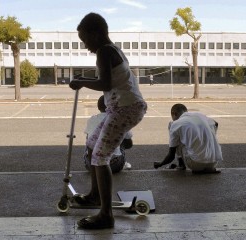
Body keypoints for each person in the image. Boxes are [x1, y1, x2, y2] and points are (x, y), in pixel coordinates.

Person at [69, 13, 147, 229]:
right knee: (93, 145)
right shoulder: (111, 49)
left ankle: (106, 215)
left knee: (100, 157)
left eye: (85, 40)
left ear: (96, 34)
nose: (85, 46)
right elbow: (107, 80)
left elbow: (104, 82)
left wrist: (81, 82)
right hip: (122, 108)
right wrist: (81, 80)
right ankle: (95, 196)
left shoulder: (104, 51)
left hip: (125, 109)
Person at [154, 103, 222, 174]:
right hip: (213, 162)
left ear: (174, 113)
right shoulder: (200, 116)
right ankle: (207, 166)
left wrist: (160, 164)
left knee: (172, 126)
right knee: (205, 130)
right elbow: (216, 124)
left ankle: (181, 164)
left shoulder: (176, 124)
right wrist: (208, 137)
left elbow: (171, 155)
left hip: (195, 164)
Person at [83, 95, 133, 173]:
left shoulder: (92, 119)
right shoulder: (119, 118)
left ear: (98, 107)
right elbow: (129, 143)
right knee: (122, 138)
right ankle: (122, 162)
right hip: (114, 165)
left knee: (89, 141)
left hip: (91, 165)